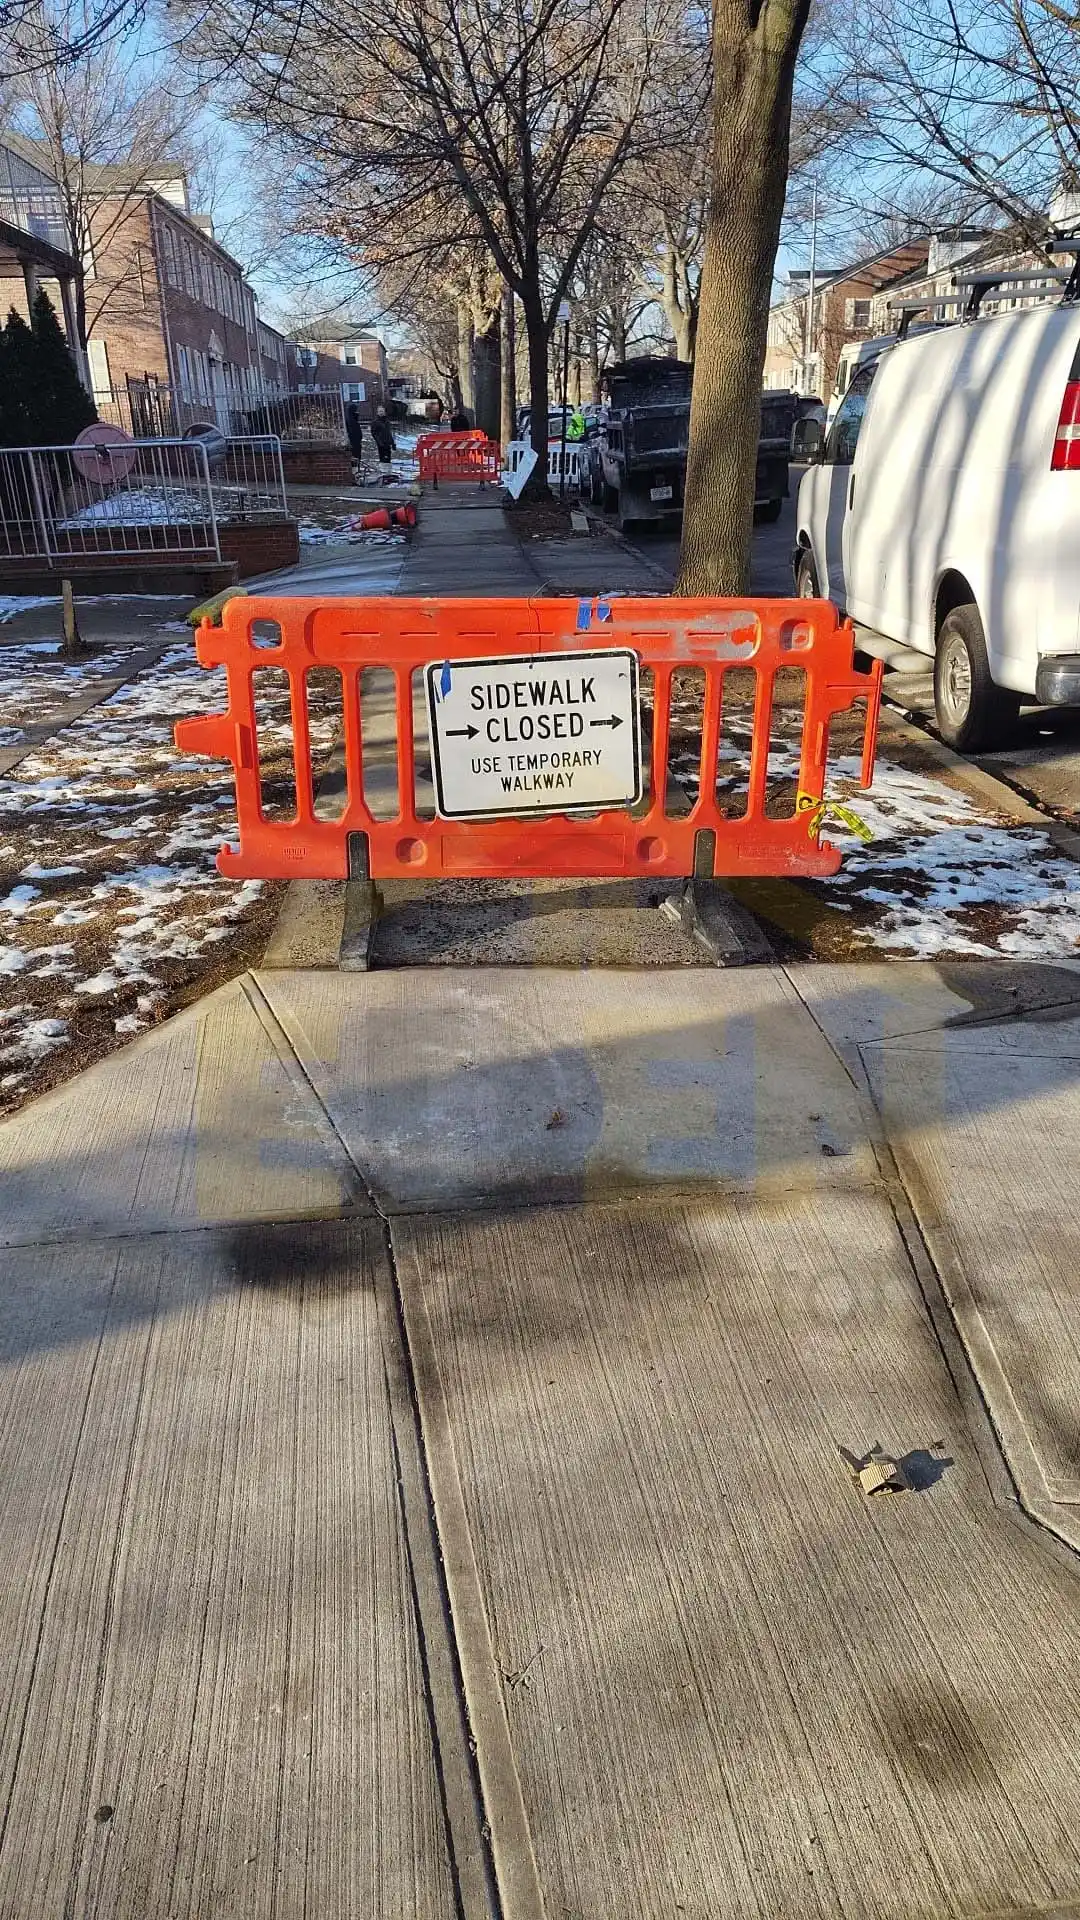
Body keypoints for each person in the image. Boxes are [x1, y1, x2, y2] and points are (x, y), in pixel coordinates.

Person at [370, 406, 395, 482]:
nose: (381, 412)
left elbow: (389, 433)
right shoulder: (375, 422)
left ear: (385, 412)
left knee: (388, 459)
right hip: (381, 444)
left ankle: (388, 475)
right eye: (380, 411)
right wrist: (379, 442)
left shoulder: (387, 421)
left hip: (388, 443)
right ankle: (383, 475)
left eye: (382, 411)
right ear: (377, 412)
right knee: (383, 459)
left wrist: (393, 443)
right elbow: (374, 433)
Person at [345, 401, 366, 470]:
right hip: (354, 443)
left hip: (356, 442)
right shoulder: (350, 420)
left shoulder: (353, 419)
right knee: (355, 457)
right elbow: (352, 432)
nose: (357, 412)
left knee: (357, 457)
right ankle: (355, 472)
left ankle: (356, 470)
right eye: (356, 410)